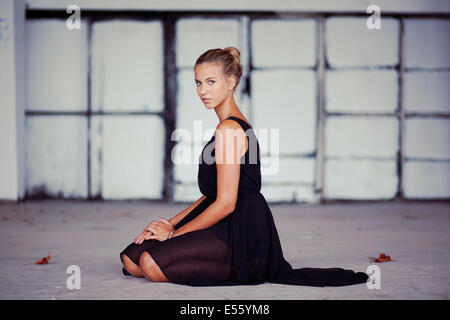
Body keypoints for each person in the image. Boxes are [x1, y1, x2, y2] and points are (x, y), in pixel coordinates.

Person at [119, 47, 369, 287]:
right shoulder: (225, 125)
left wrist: (174, 235)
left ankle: (245, 265)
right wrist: (170, 224)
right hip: (223, 215)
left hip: (242, 229)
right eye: (198, 82)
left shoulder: (229, 129)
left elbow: (226, 203)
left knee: (149, 264)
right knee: (131, 260)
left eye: (211, 82)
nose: (203, 90)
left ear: (231, 82)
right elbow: (212, 195)